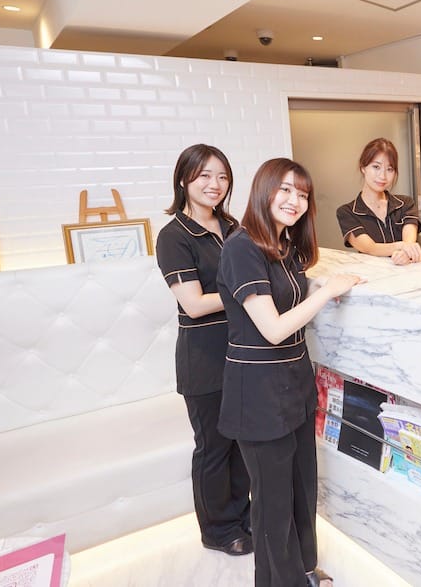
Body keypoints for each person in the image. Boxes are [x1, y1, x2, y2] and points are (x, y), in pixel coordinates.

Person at [218, 157, 363, 587]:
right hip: (258, 395)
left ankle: (303, 570)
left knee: (301, 490)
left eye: (302, 194)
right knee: (273, 505)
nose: (294, 200)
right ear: (263, 190)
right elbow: (274, 328)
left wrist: (322, 286)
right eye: (284, 189)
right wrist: (328, 292)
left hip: (293, 387)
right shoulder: (241, 247)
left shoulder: (283, 247)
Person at [155, 144, 252, 557]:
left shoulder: (232, 226)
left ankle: (242, 515)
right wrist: (250, 291)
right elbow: (193, 304)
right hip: (204, 360)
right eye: (205, 176)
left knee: (242, 443)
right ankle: (217, 530)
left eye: (223, 176)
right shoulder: (174, 236)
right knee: (214, 447)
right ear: (184, 179)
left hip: (243, 352)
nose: (215, 184)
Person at [336, 137, 421, 265]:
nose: (383, 176)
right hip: (372, 275)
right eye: (376, 167)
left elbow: (409, 241)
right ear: (363, 167)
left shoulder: (405, 203)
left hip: (408, 273)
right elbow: (369, 247)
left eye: (390, 169)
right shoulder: (347, 212)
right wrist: (401, 246)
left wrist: (405, 253)